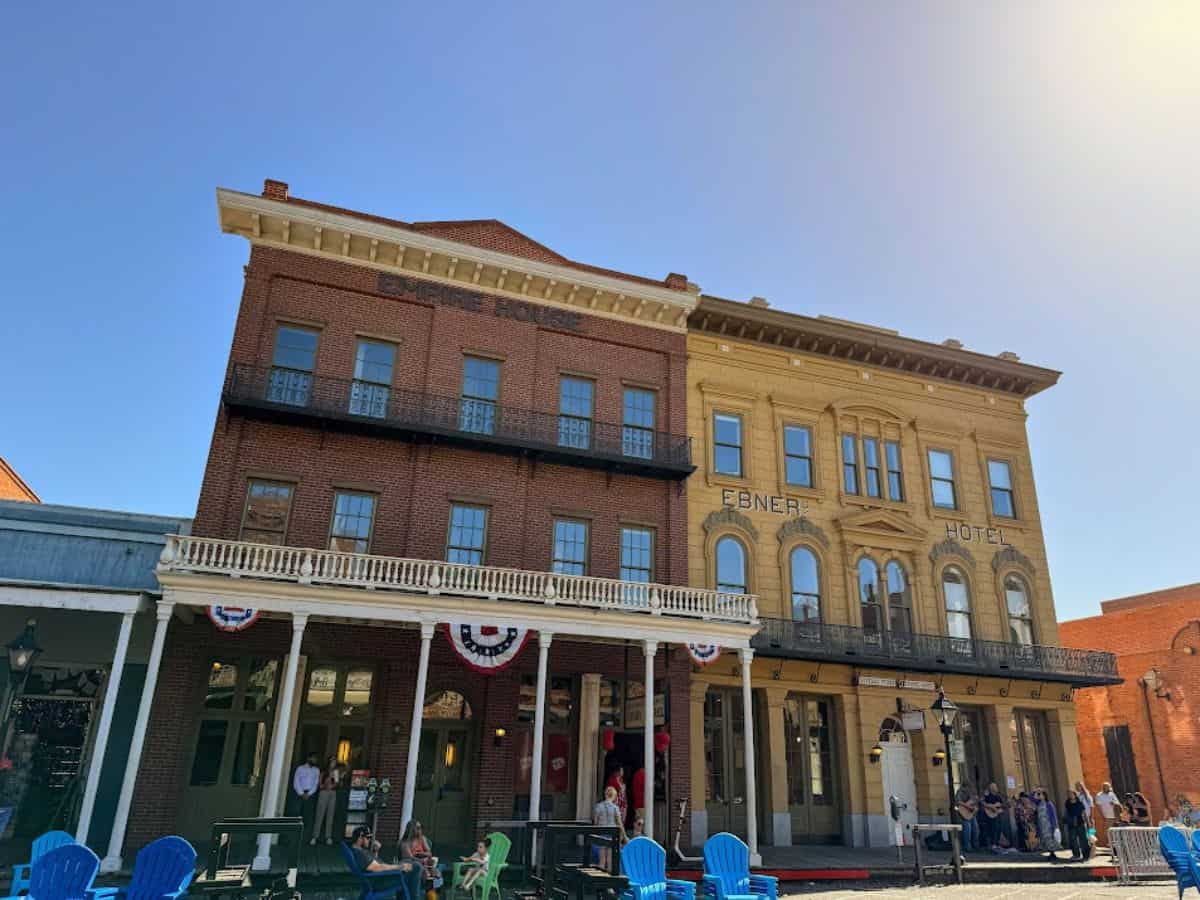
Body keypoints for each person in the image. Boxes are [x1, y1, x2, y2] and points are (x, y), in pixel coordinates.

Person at [400, 820, 441, 891]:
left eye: (421, 827)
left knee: (437, 874)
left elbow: (429, 853)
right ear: (412, 829)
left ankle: (431, 888)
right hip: (413, 865)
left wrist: (421, 854)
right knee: (425, 873)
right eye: (418, 828)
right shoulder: (405, 843)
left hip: (424, 863)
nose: (420, 830)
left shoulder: (422, 838)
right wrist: (422, 860)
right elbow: (409, 858)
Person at [592, 786, 625, 869]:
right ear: (614, 796)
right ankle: (610, 878)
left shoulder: (598, 806)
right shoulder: (615, 808)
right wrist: (624, 835)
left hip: (602, 832)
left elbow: (595, 821)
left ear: (605, 795)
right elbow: (619, 823)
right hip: (612, 833)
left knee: (602, 860)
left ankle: (601, 878)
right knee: (610, 859)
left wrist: (595, 832)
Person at [311, 757, 341, 846]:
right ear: (329, 762)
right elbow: (319, 784)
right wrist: (325, 783)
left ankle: (328, 836)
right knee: (319, 814)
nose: (333, 763)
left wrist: (333, 784)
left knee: (330, 815)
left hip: (332, 793)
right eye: (332, 761)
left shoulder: (336, 772)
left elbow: (337, 783)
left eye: (335, 762)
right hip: (323, 792)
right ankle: (315, 836)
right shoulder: (323, 771)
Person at [293, 752, 321, 841]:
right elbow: (296, 782)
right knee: (297, 814)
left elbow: (316, 783)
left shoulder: (316, 770)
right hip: (299, 794)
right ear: (309, 758)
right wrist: (301, 793)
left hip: (310, 794)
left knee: (308, 816)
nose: (315, 760)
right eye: (314, 758)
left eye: (316, 759)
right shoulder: (300, 769)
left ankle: (305, 837)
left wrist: (308, 794)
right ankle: (295, 836)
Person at [1034, 788, 1062, 861]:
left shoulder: (1049, 804)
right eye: (1039, 794)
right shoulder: (1039, 804)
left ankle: (1052, 853)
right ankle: (1050, 853)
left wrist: (1055, 825)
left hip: (1048, 825)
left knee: (1050, 839)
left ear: (1045, 795)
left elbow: (1053, 815)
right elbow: (1031, 798)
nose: (1039, 796)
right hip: (1042, 825)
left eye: (1041, 794)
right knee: (1044, 840)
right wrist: (1036, 791)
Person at [1063, 790, 1090, 861]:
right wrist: (1065, 821)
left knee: (1083, 840)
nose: (1070, 795)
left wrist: (1088, 822)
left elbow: (1084, 814)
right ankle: (1076, 854)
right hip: (1071, 824)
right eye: (1069, 794)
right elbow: (1066, 813)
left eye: (1072, 794)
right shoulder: (1067, 803)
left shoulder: (1080, 803)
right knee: (1073, 840)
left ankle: (1085, 855)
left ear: (1075, 795)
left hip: (1080, 822)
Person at [979, 782, 1007, 850]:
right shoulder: (987, 794)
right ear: (991, 788)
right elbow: (982, 801)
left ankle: (997, 843)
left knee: (999, 828)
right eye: (993, 787)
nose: (995, 788)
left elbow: (1002, 806)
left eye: (995, 787)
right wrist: (991, 806)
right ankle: (993, 844)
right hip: (989, 815)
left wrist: (1002, 808)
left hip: (997, 814)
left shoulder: (998, 796)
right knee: (993, 829)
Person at [955, 785, 979, 852]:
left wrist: (975, 809)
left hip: (971, 815)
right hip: (963, 814)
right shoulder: (960, 792)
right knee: (967, 830)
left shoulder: (972, 794)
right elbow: (958, 801)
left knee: (976, 829)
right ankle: (967, 847)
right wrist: (967, 806)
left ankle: (976, 846)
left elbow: (975, 805)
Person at [1094, 782, 1119, 848]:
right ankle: (1110, 846)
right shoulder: (1099, 795)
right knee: (1108, 832)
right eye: (1106, 787)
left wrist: (1113, 803)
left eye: (1109, 787)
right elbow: (1098, 807)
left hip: (1115, 816)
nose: (1108, 788)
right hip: (1107, 816)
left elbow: (1117, 803)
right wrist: (1102, 816)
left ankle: (1116, 846)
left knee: (1116, 832)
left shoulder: (1112, 794)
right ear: (1103, 787)